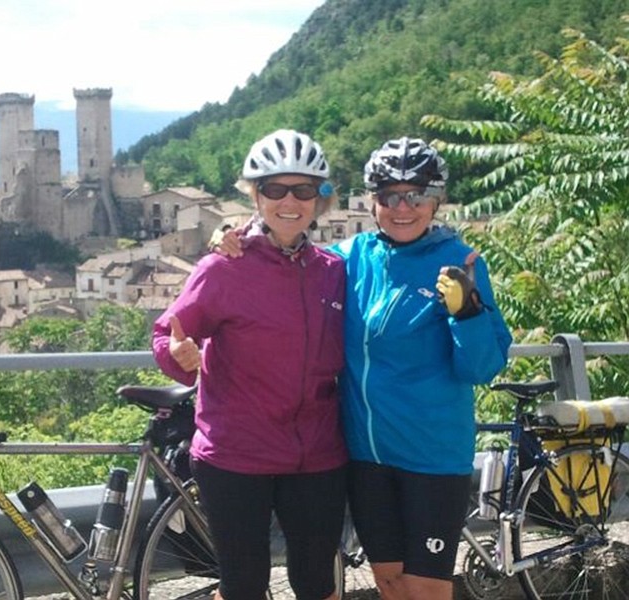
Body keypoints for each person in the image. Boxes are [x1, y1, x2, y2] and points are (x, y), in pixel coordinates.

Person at [215, 137, 513, 600]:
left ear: (436, 200)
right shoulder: (350, 259)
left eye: (417, 195)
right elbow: (287, 254)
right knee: (391, 582)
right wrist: (235, 237)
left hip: (432, 457)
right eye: (389, 196)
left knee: (426, 590)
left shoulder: (460, 262)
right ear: (371, 201)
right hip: (366, 459)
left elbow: (482, 367)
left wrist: (469, 313)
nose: (403, 208)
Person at [151, 129, 348, 600]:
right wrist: (179, 358)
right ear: (255, 195)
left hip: (317, 453)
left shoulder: (334, 270)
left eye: (304, 190)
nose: (290, 201)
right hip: (237, 454)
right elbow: (167, 333)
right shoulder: (223, 269)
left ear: (321, 199)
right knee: (242, 587)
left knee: (320, 584)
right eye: (275, 189)